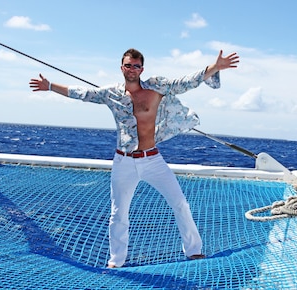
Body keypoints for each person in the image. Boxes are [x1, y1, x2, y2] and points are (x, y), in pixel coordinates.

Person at [29, 48, 239, 268]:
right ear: (122, 67)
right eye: (128, 65)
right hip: (124, 161)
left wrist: (214, 67)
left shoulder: (157, 88)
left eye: (136, 66)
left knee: (180, 203)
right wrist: (50, 86)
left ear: (142, 69)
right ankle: (115, 262)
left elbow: (186, 82)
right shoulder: (111, 94)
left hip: (152, 160)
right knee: (118, 214)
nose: (132, 69)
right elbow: (83, 93)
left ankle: (194, 251)